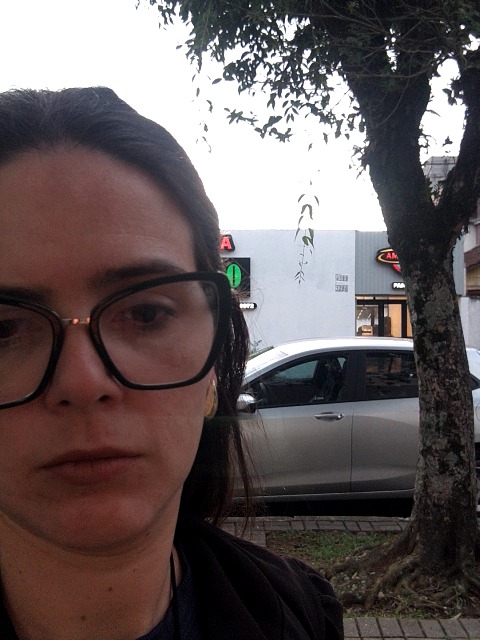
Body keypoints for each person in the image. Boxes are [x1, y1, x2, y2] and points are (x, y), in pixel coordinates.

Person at [0, 87, 343, 640]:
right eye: (4, 329)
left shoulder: (297, 614)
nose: (83, 382)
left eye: (146, 313)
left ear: (214, 371)